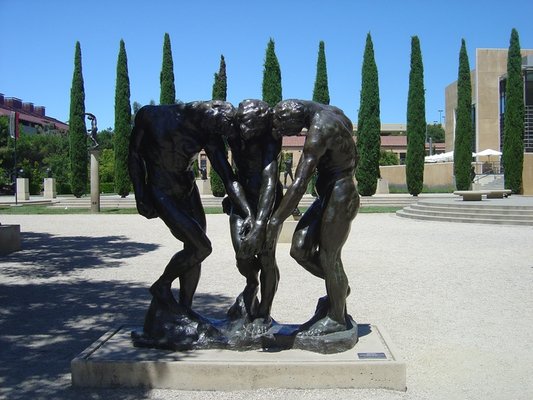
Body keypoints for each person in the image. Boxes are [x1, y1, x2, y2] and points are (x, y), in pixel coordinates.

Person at [128, 101, 255, 317]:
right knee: (201, 247)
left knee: (195, 248)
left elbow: (227, 177)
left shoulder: (209, 131)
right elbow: (134, 155)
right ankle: (162, 285)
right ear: (207, 117)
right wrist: (140, 194)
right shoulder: (152, 116)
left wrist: (248, 211)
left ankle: (184, 308)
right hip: (161, 190)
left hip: (187, 189)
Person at [265, 99, 360, 336]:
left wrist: (275, 221)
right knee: (300, 249)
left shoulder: (320, 129)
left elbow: (298, 184)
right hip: (328, 194)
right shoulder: (334, 112)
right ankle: (339, 287)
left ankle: (337, 317)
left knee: (330, 257)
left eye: (286, 130)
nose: (291, 135)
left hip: (341, 194)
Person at [225, 99, 283, 333]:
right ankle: (252, 284)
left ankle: (264, 311)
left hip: (268, 203)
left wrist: (261, 222)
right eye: (243, 126)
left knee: (267, 257)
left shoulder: (270, 138)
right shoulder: (233, 134)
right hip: (242, 201)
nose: (246, 132)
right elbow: (230, 173)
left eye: (251, 127)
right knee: (242, 253)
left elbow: (270, 180)